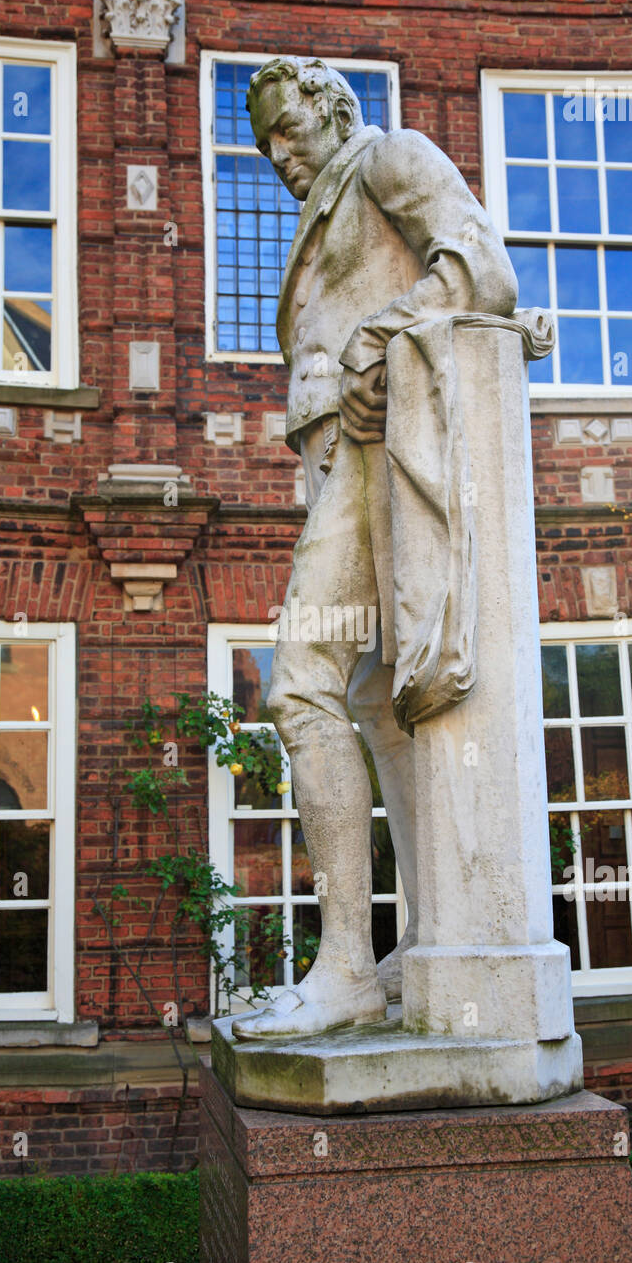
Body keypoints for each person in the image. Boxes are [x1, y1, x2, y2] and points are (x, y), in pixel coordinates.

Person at [232, 56, 517, 1040]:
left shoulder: (388, 157)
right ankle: (428, 930)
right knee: (367, 695)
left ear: (330, 108)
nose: (275, 152)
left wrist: (379, 345)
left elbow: (479, 261)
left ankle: (347, 965)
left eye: (287, 127)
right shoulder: (320, 208)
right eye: (262, 139)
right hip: (334, 466)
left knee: (300, 681)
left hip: (373, 452)